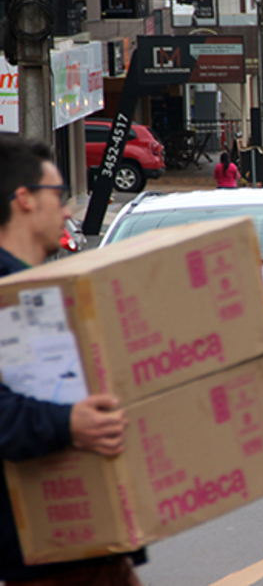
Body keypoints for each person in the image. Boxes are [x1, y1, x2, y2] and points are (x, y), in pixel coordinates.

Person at [0, 136, 144, 584]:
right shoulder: (11, 296)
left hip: (88, 544)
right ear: (23, 200)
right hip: (46, 550)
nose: (66, 210)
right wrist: (69, 423)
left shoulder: (44, 287)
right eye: (57, 196)